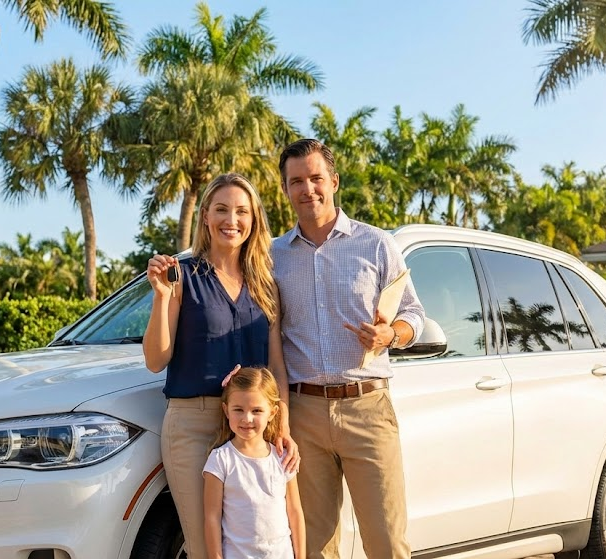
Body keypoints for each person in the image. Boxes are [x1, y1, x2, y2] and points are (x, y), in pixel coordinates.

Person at [271, 139, 425, 558]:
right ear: (286, 189)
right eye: (296, 181)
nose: (308, 189)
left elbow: (414, 314)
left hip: (367, 409)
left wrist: (390, 335)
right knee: (314, 547)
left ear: (334, 181)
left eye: (316, 178)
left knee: (387, 541)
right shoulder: (273, 256)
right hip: (302, 413)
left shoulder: (375, 244)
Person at [143, 173, 298, 559]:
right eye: (222, 209)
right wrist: (162, 297)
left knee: (258, 541)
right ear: (206, 218)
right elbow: (155, 359)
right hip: (193, 426)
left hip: (253, 428)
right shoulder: (182, 276)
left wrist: (284, 429)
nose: (232, 219)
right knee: (206, 547)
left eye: (242, 211)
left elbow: (276, 365)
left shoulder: (265, 283)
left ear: (254, 220)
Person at [203, 366, 305, 559]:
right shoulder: (220, 460)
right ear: (226, 410)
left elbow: (295, 511)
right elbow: (212, 517)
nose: (247, 418)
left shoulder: (283, 458)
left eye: (257, 410)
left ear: (273, 413)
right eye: (238, 410)